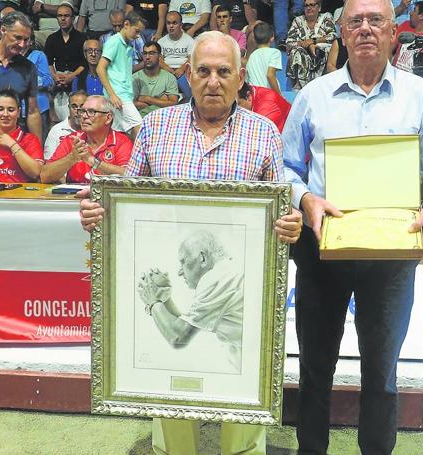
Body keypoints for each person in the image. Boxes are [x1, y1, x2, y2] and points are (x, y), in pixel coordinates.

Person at [79, 30, 302, 455]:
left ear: (240, 78)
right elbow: (126, 203)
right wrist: (99, 213)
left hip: (239, 302)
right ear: (188, 75)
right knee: (171, 394)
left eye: (223, 71)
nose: (212, 81)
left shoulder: (264, 133)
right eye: (203, 71)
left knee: (243, 413)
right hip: (174, 276)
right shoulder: (156, 127)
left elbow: (281, 208)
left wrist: (290, 224)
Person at [282, 0, 423, 452]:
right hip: (323, 246)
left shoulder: (419, 95)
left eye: (375, 21)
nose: (365, 29)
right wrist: (305, 198)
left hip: (391, 252)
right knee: (315, 368)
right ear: (341, 34)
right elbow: (283, 167)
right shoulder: (313, 95)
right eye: (355, 22)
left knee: (381, 371)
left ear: (392, 33)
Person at [137, 231, 245, 372]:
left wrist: (152, 302)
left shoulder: (217, 276)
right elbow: (188, 325)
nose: (179, 272)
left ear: (202, 258)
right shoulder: (226, 271)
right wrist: (165, 299)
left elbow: (177, 337)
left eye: (183, 261)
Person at [0, 12, 41, 141]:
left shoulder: (28, 68)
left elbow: (32, 112)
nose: (22, 44)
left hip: (10, 142)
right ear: (3, 30)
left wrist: (37, 150)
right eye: (17, 38)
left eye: (26, 40)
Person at [40, 95, 132, 183]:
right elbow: (44, 176)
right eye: (82, 111)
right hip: (74, 197)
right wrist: (72, 158)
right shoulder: (73, 139)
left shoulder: (122, 141)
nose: (84, 116)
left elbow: (129, 176)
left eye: (91, 112)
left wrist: (93, 161)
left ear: (108, 118)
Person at [98, 10, 148, 139]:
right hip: (119, 96)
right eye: (136, 31)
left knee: (119, 134)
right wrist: (113, 95)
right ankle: (138, 159)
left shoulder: (128, 44)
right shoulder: (114, 41)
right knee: (139, 126)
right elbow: (100, 68)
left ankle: (120, 158)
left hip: (124, 95)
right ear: (126, 24)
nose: (138, 35)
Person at [0, 89, 43, 183]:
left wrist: (13, 145)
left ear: (18, 112)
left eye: (11, 110)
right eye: (0, 109)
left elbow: (36, 173)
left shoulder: (30, 140)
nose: (5, 114)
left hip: (20, 195)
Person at [44, 4, 87, 121]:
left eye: (66, 16)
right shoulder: (52, 39)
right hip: (58, 78)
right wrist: (55, 76)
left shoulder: (82, 38)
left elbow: (85, 62)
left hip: (77, 77)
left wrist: (72, 76)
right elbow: (47, 61)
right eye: (60, 16)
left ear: (73, 18)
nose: (63, 19)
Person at [285, 0, 335, 89]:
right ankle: (302, 86)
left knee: (324, 48)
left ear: (319, 7)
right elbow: (289, 42)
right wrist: (307, 44)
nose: (308, 8)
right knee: (296, 52)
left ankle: (322, 85)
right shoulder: (298, 21)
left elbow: (332, 36)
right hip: (303, 52)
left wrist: (313, 41)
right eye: (306, 5)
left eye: (312, 5)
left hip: (321, 52)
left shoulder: (326, 17)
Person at [392, 0, 423, 74]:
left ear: (421, 16)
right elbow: (390, 47)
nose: (410, 13)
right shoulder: (405, 25)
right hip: (396, 73)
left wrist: (416, 38)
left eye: (414, 10)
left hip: (419, 76)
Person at [133, 41, 180, 116]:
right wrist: (161, 101)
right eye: (145, 53)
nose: (147, 57)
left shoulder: (169, 78)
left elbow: (173, 104)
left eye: (151, 53)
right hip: (140, 120)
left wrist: (148, 99)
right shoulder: (135, 78)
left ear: (160, 56)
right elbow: (130, 105)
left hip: (162, 119)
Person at [22, 33, 53, 144]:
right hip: (19, 110)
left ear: (31, 42)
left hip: (39, 108)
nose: (22, 42)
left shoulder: (39, 55)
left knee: (39, 144)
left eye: (26, 39)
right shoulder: (12, 56)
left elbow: (48, 80)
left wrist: (29, 82)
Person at [158, 11, 195, 100]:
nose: (171, 26)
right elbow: (159, 60)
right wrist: (168, 69)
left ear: (181, 25)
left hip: (184, 71)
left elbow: (191, 59)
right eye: (168, 23)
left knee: (190, 96)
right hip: (166, 71)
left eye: (174, 23)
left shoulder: (189, 41)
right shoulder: (161, 42)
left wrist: (182, 69)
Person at [44, 90, 88, 160]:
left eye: (82, 107)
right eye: (74, 107)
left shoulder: (93, 130)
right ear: (69, 107)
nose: (78, 111)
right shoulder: (56, 131)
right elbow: (48, 161)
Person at [245, 22, 282, 95]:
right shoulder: (275, 52)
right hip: (268, 97)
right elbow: (270, 75)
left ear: (254, 40)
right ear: (272, 37)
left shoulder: (252, 56)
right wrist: (279, 96)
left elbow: (247, 80)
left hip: (255, 98)